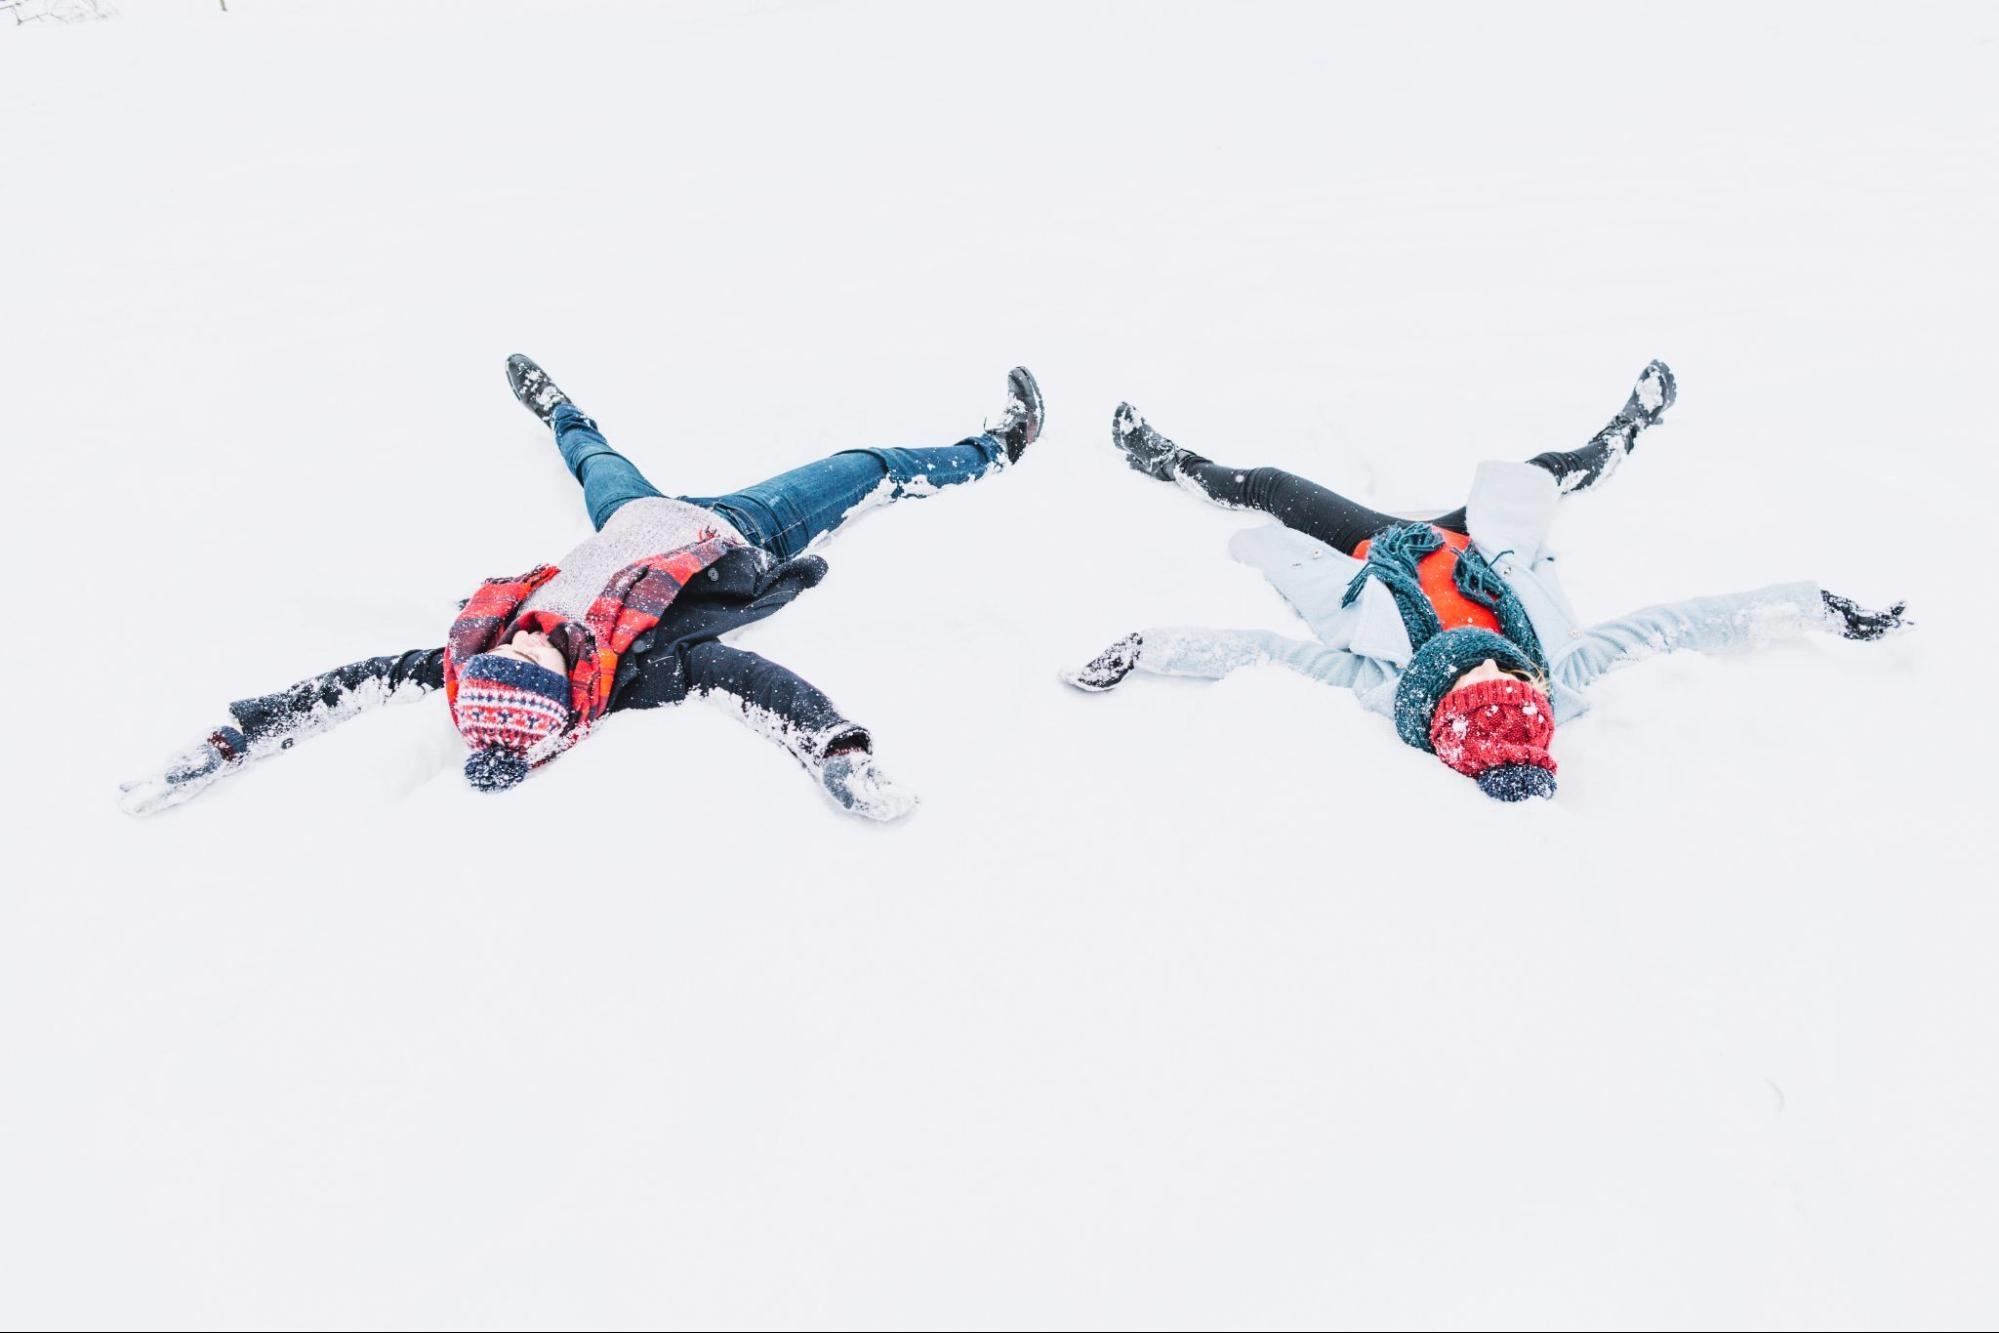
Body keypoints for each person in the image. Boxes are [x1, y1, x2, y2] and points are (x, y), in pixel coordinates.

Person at [119, 357, 1046, 820]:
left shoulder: (470, 656)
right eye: (532, 658)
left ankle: (556, 403)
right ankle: (995, 448)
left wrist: (232, 735)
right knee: (862, 464)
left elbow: (343, 684)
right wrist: (837, 751)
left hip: (631, 518)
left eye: (506, 650)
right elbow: (755, 683)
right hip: (739, 530)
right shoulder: (646, 666)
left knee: (592, 453)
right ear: (562, 694)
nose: (525, 634)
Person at [1064, 361, 1907, 801]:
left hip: (1381, 549)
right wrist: (1813, 606)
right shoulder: (1560, 668)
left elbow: (1257, 654)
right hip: (1479, 546)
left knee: (1278, 489)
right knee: (1545, 470)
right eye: (1510, 675)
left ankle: (1168, 462)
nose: (1496, 663)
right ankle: (1628, 426)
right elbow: (1682, 623)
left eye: (1476, 678)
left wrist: (1145, 646)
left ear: (1437, 701)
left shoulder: (1375, 680)